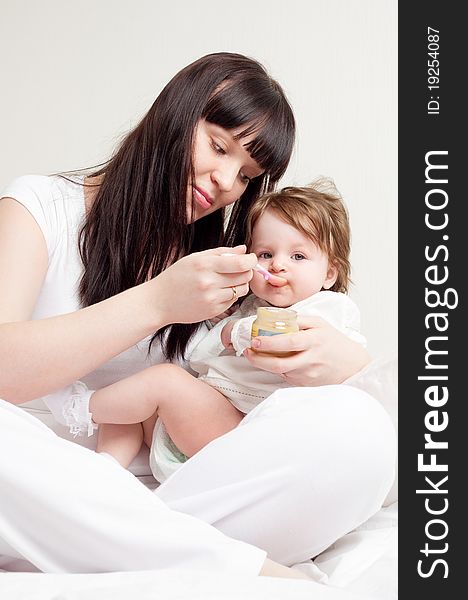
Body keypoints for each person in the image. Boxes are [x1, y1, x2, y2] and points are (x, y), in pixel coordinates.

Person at [0, 52, 395, 575]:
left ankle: (118, 551)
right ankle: (218, 564)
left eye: (248, 174)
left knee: (361, 427)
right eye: (217, 146)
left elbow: (243, 412)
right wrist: (158, 301)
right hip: (44, 483)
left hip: (178, 493)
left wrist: (343, 363)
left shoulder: (234, 260)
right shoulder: (38, 207)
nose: (226, 181)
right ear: (175, 113)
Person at [91, 181, 369, 484]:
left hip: (245, 429)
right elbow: (199, 358)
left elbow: (281, 338)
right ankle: (106, 469)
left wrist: (235, 330)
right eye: (265, 254)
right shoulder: (248, 306)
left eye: (297, 257)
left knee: (163, 382)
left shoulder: (328, 308)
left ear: (330, 273)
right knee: (131, 404)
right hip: (205, 422)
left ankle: (79, 407)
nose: (277, 265)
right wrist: (217, 324)